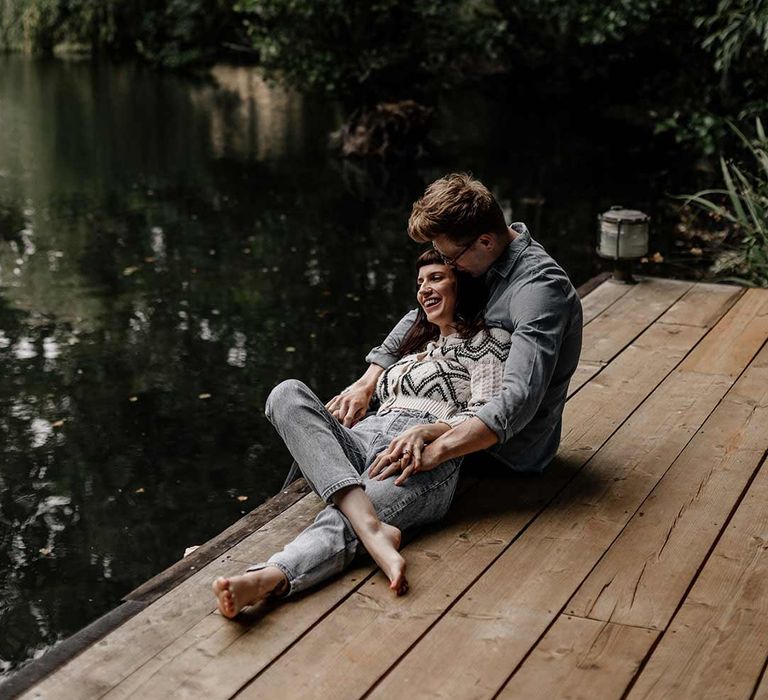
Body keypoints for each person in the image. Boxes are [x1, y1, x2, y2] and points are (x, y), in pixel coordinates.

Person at [212, 249, 512, 616]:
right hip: (365, 435)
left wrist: (431, 430)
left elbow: (485, 413)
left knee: (344, 514)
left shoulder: (489, 341)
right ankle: (373, 529)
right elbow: (373, 376)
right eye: (419, 283)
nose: (424, 289)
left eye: (435, 278)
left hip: (421, 455)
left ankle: (270, 576)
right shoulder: (415, 343)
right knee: (286, 394)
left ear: (461, 283)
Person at [328, 172, 583, 478]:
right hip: (451, 416)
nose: (448, 267)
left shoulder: (539, 290)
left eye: (450, 258)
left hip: (502, 452)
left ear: (485, 241)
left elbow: (519, 398)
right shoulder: (486, 259)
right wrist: (366, 384)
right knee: (332, 423)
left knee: (352, 452)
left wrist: (436, 450)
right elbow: (419, 316)